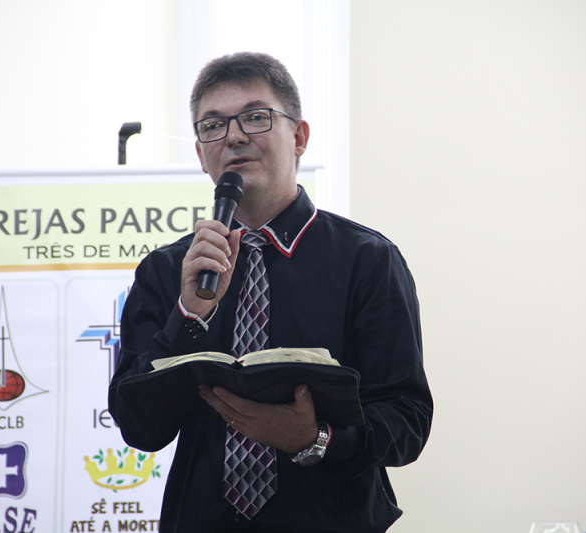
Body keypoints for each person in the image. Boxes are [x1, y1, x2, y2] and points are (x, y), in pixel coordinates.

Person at [109, 52, 433, 533]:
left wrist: (315, 438)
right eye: (213, 126)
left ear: (299, 137)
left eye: (256, 117)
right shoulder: (168, 270)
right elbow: (138, 427)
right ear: (200, 155)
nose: (234, 136)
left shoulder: (367, 259)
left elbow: (407, 420)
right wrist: (188, 315)